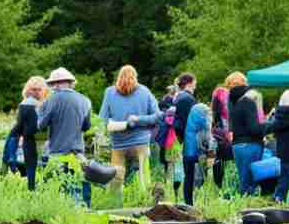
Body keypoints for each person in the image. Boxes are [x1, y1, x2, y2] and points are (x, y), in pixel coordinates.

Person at [99, 65, 160, 205]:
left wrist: (113, 124)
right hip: (141, 142)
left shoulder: (109, 92)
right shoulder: (144, 91)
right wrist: (139, 120)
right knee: (144, 178)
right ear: (136, 77)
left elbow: (102, 118)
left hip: (118, 142)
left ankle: (115, 208)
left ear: (118, 76)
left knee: (116, 180)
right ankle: (146, 205)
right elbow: (157, 116)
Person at [38, 67, 92, 204]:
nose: (53, 87)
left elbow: (41, 125)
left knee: (57, 191)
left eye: (53, 84)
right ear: (70, 82)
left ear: (56, 84)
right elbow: (86, 126)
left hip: (57, 153)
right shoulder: (85, 100)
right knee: (78, 188)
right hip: (77, 153)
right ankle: (82, 215)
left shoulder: (51, 100)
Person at [10, 76, 47, 190]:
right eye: (34, 89)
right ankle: (42, 190)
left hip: (30, 140)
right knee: (42, 167)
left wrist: (13, 136)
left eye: (38, 89)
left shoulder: (25, 104)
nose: (36, 92)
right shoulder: (44, 104)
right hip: (43, 140)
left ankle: (32, 191)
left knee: (31, 168)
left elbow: (20, 126)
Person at [230, 88, 266, 196]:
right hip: (250, 145)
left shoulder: (236, 105)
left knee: (243, 180)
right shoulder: (249, 103)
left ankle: (242, 206)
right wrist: (268, 127)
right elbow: (254, 128)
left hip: (237, 146)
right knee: (251, 182)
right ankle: (250, 208)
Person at [182, 102, 214, 205]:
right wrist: (211, 155)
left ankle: (188, 203)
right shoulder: (204, 125)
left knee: (188, 178)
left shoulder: (190, 126)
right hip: (199, 154)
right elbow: (209, 141)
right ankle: (202, 203)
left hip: (187, 153)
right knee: (201, 179)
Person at [209, 86, 231, 188]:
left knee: (218, 163)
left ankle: (219, 186)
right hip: (228, 142)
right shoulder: (230, 111)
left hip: (218, 142)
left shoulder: (212, 115)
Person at [171, 73, 197, 143]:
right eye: (194, 84)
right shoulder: (187, 98)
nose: (195, 87)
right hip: (185, 138)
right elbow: (187, 121)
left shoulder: (180, 96)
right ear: (189, 84)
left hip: (179, 135)